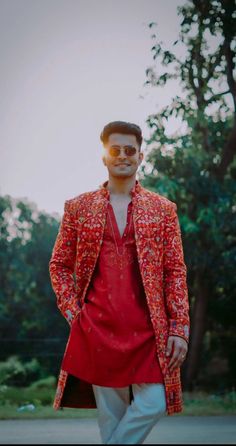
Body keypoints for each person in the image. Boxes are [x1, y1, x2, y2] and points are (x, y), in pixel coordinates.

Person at [49, 120, 190, 444]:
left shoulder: (163, 210)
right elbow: (58, 265)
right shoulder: (79, 207)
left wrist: (179, 327)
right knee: (110, 419)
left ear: (141, 156)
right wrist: (74, 313)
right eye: (116, 150)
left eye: (130, 150)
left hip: (148, 331)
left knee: (154, 402)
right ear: (104, 156)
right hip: (98, 327)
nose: (123, 155)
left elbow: (175, 272)